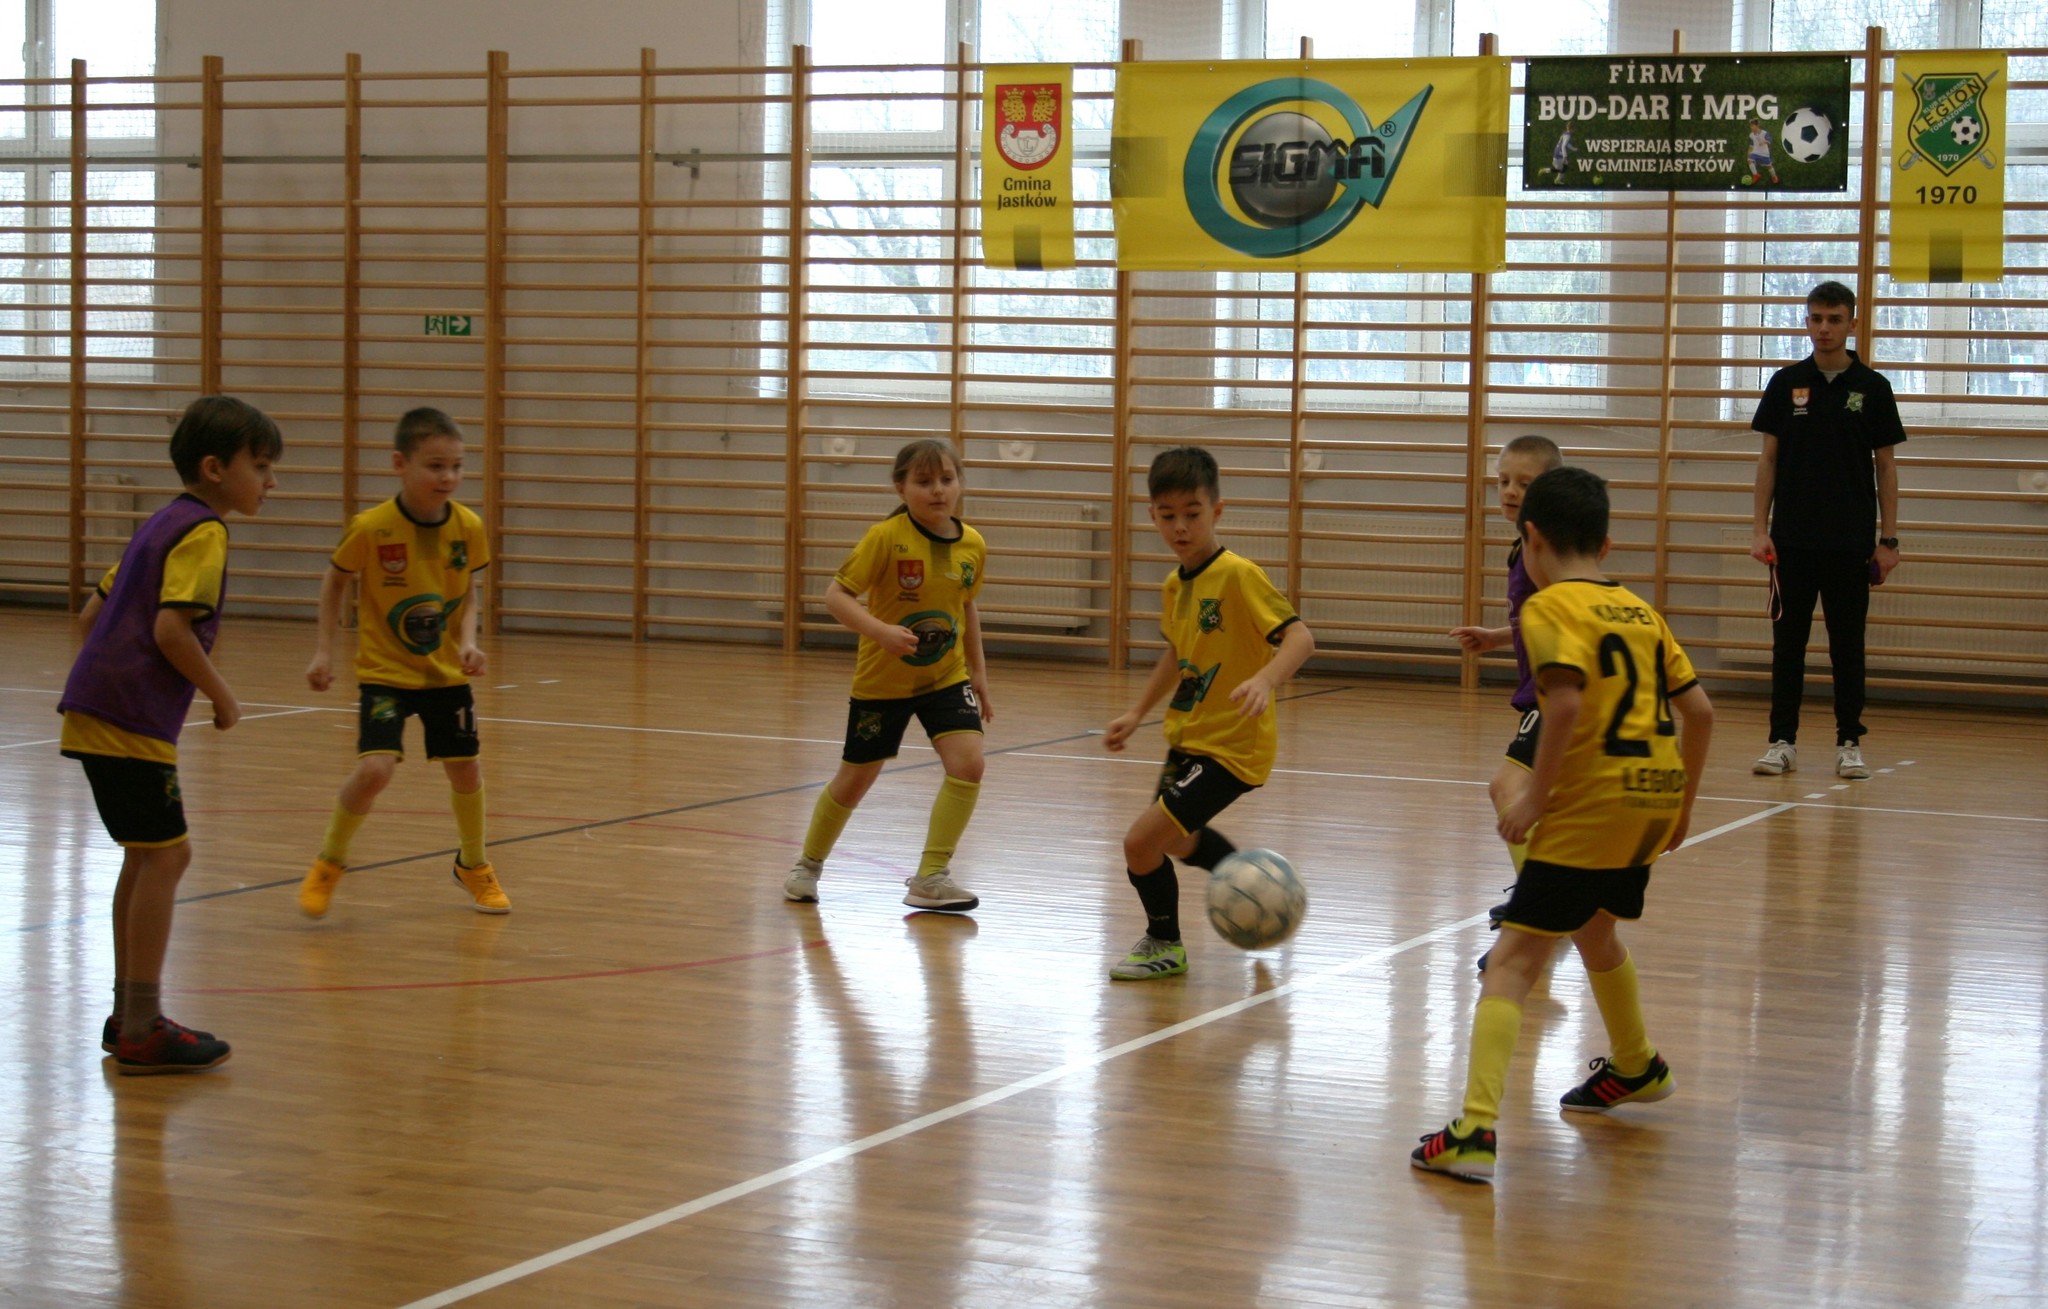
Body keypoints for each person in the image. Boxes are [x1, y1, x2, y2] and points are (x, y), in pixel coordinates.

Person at [1412, 466, 1713, 1182]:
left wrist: (1536, 798)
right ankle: (1636, 1064)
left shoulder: (1549, 607)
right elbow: (1699, 712)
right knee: (1597, 932)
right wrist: (1684, 805)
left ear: (1532, 538)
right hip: (1652, 797)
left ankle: (1473, 1130)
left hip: (1591, 805)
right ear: (1605, 545)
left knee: (1513, 962)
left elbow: (1567, 705)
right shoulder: (1641, 612)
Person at [58, 395, 282, 1074]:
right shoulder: (205, 532)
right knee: (167, 858)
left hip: (98, 711)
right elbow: (170, 629)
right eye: (260, 466)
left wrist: (110, 678)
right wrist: (222, 694)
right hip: (128, 721)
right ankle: (142, 1027)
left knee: (146, 856)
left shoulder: (158, 523)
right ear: (215, 469)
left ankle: (129, 1016)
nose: (271, 481)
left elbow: (89, 617)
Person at [1102, 446, 1316, 980]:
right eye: (1167, 515)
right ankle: (1249, 879)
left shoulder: (1239, 575)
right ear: (1152, 515)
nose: (1180, 527)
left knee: (1140, 843)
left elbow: (1300, 638)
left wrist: (1266, 679)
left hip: (1233, 746)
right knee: (1175, 840)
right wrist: (1137, 711)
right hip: (1190, 738)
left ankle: (1164, 944)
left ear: (1217, 511)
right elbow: (1178, 652)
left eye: (1192, 514)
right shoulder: (1175, 584)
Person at [299, 407, 503, 917]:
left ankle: (473, 864)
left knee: (466, 769)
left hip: (445, 674)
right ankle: (329, 861)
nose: (448, 477)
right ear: (399, 464)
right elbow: (335, 582)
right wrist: (324, 650)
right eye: (435, 466)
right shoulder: (372, 528)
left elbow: (469, 593)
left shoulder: (468, 526)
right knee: (375, 770)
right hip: (385, 673)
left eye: (457, 466)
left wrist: (469, 642)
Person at [782, 438, 991, 912]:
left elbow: (967, 606)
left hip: (946, 678)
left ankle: (931, 877)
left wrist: (978, 671)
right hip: (883, 683)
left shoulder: (973, 544)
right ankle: (808, 865)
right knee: (855, 780)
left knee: (969, 764)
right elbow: (835, 596)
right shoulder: (884, 538)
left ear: (959, 483)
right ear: (901, 487)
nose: (938, 490)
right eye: (924, 481)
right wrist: (881, 632)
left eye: (947, 479)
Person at [1749, 280, 1904, 780]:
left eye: (1834, 319)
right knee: (1787, 648)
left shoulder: (1873, 388)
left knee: (1847, 648)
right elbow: (1768, 461)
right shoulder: (1786, 382)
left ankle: (1849, 742)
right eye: (1816, 318)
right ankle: (1782, 741)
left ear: (1851, 324)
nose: (1824, 328)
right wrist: (1759, 529)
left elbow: (1886, 467)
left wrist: (1888, 541)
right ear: (1807, 322)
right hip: (1791, 542)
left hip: (1850, 544)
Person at [1449, 434, 1563, 969]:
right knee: (1538, 800)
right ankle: (1544, 893)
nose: (1511, 491)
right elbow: (1532, 616)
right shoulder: (1523, 545)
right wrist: (1498, 637)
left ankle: (1538, 906)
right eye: (1503, 481)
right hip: (1542, 690)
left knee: (1507, 789)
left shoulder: (1548, 550)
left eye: (1525, 483)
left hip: (1556, 692)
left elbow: (1570, 613)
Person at [1742, 118, 1780, 187]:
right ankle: (1755, 175)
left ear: (1757, 126)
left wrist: (1764, 141)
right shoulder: (1751, 135)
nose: (1751, 127)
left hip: (1764, 153)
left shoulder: (1764, 133)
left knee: (1769, 166)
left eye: (1753, 126)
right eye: (1751, 126)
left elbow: (1769, 140)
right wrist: (1749, 152)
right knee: (1749, 160)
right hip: (1755, 152)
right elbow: (1751, 145)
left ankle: (1774, 177)